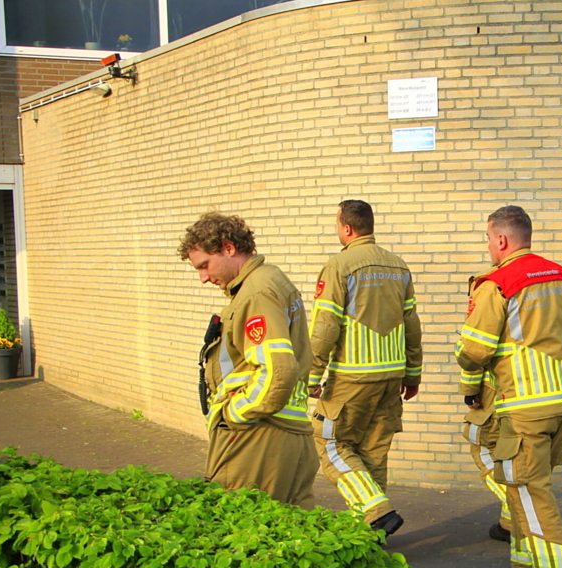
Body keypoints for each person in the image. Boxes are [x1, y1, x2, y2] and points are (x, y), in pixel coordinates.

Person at [455, 205, 562, 568]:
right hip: (561, 398)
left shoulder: (498, 283)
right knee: (520, 487)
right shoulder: (557, 274)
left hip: (523, 404)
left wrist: (469, 382)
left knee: (531, 493)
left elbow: (474, 350)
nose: (489, 247)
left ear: (502, 240)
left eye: (489, 239)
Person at [178, 211, 318, 508]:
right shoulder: (270, 279)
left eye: (205, 265)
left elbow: (277, 371)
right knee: (289, 532)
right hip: (288, 434)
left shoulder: (255, 293)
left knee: (240, 528)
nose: (203, 277)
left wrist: (235, 413)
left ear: (228, 248)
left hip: (258, 437)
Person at [308, 199, 422, 538]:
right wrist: (413, 374)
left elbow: (325, 327)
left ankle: (378, 513)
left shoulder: (339, 266)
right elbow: (412, 324)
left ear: (346, 228)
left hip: (352, 378)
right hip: (391, 378)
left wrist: (312, 375)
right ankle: (373, 537)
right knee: (372, 453)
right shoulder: (398, 266)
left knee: (330, 442)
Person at [461, 272, 512, 544]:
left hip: (492, 392)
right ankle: (509, 521)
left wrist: (470, 393)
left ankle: (518, 509)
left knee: (481, 446)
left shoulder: (485, 300)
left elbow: (474, 356)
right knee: (512, 455)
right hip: (524, 393)